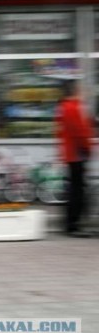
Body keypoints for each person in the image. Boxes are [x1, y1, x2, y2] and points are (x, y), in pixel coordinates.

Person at [55, 79, 93, 237]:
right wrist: (87, 147)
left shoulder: (64, 107)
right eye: (80, 89)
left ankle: (74, 222)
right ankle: (72, 224)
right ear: (75, 90)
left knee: (75, 188)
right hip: (77, 153)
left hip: (72, 153)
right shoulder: (72, 107)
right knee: (77, 190)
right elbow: (79, 131)